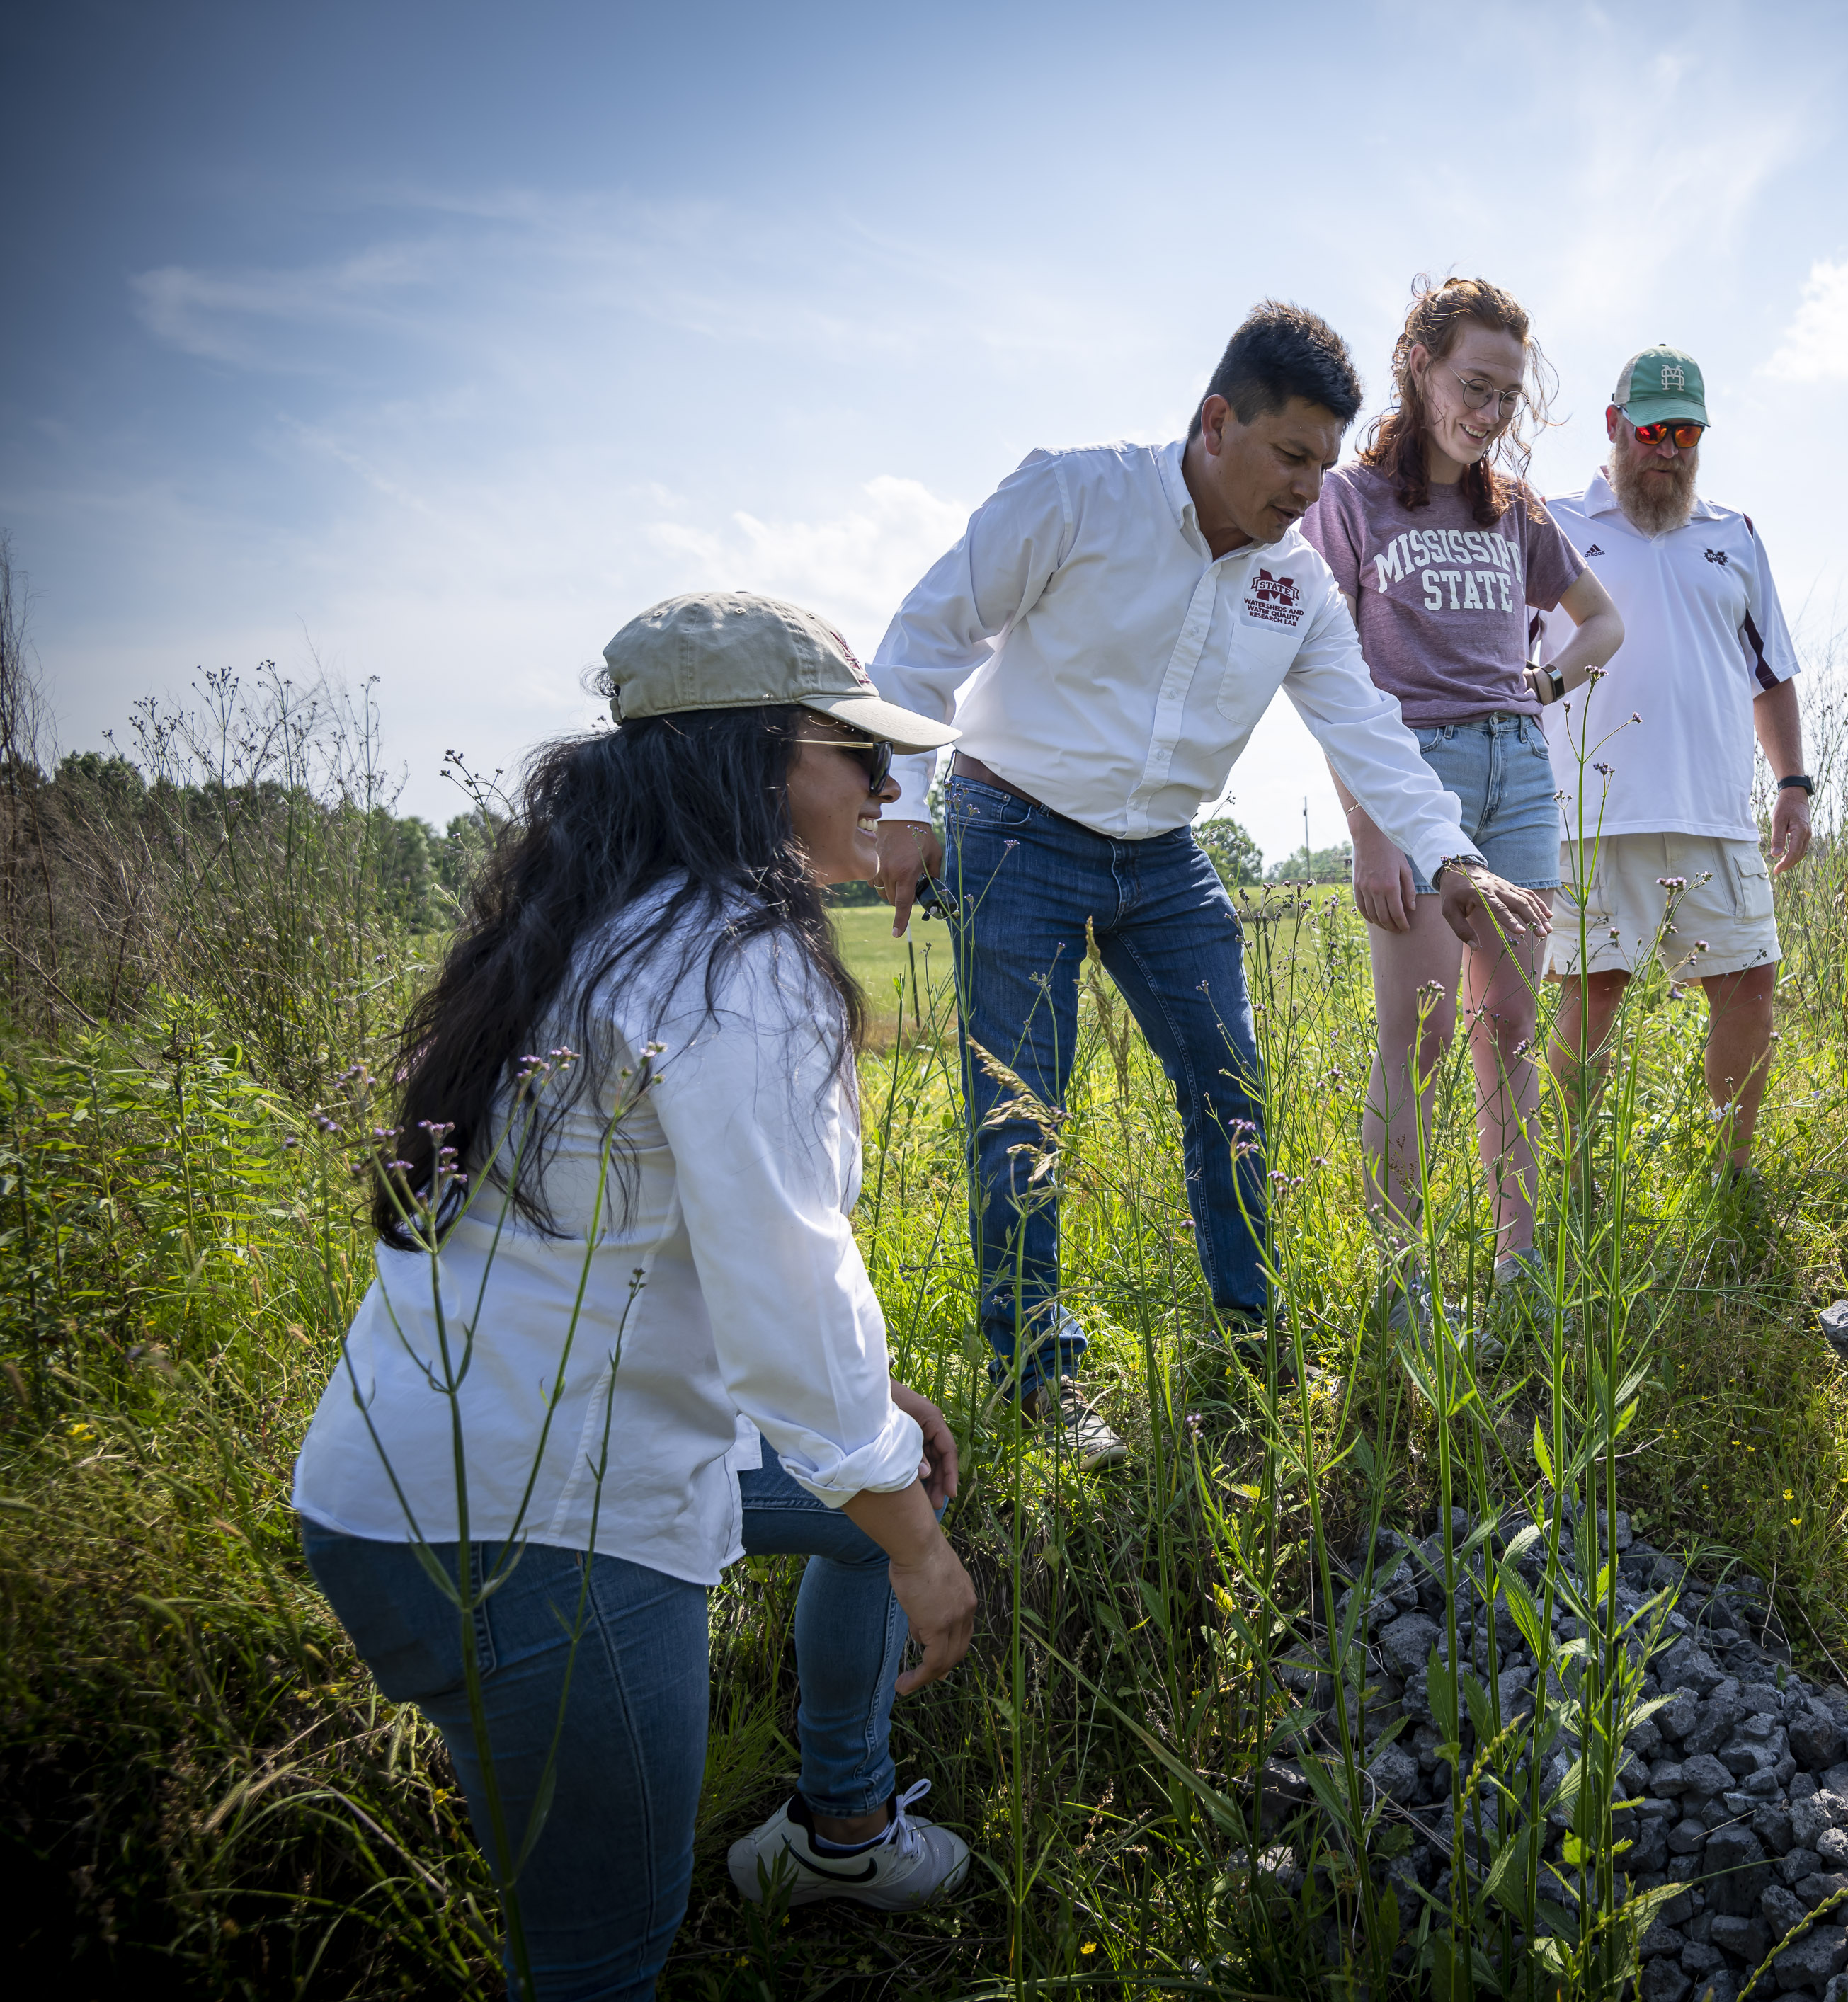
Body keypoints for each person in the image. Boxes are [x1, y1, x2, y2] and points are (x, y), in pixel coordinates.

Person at [292, 593, 982, 1999]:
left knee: (889, 1468)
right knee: (599, 1959)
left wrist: (876, 1445)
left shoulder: (582, 924)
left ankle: (838, 1831)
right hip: (543, 1532)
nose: (887, 785)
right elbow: (792, 1278)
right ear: (772, 755)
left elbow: (633, 1255)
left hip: (394, 1493)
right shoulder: (737, 957)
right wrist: (917, 1546)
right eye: (859, 749)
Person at [867, 302, 1548, 1456]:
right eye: (1288, 456)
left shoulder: (1295, 589)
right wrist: (897, 804)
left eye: (1322, 466)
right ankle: (1041, 1380)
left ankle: (1249, 1335)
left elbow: (1372, 733)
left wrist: (1453, 856)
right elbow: (926, 637)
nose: (1304, 490)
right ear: (1216, 420)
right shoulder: (1073, 496)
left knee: (1231, 1090)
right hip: (1015, 826)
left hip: (1164, 851)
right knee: (1021, 1110)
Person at [1300, 277, 1623, 1342]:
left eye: (1505, 397)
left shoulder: (1513, 510)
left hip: (1518, 773)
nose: (1487, 413)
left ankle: (1515, 1264)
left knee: (1512, 1030)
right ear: (1420, 366)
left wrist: (1541, 688)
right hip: (1412, 773)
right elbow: (1323, 669)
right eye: (1471, 386)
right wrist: (1369, 830)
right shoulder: (1348, 501)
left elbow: (1599, 625)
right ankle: (1401, 1280)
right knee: (1421, 1036)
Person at [1536, 344, 1812, 1178]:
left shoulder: (1734, 534)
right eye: (1652, 428)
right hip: (1590, 812)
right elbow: (1511, 672)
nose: (1669, 448)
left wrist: (1794, 783)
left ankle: (1732, 1171)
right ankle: (1576, 1178)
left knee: (1749, 987)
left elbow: (1773, 675)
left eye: (1686, 432)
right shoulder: (1552, 524)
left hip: (1714, 812)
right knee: (1593, 995)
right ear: (1615, 424)